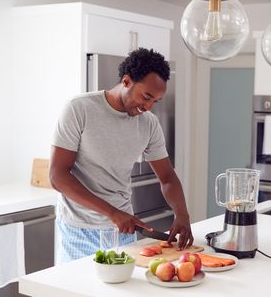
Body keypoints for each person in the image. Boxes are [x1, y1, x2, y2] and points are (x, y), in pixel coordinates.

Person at [49, 48, 193, 263]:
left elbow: (167, 177)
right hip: (78, 230)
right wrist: (112, 213)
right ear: (126, 81)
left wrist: (182, 214)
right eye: (146, 97)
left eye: (155, 101)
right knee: (77, 294)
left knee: (122, 294)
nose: (148, 107)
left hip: (123, 230)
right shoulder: (79, 109)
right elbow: (58, 176)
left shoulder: (149, 124)